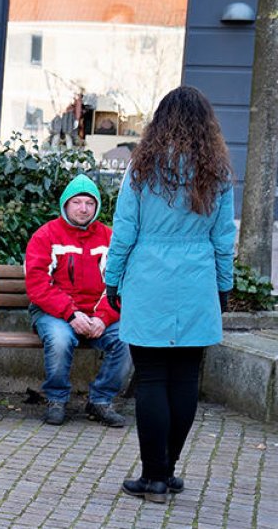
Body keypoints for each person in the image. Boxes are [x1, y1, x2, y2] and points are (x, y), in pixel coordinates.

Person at [103, 86, 235, 503]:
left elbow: (124, 231)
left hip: (149, 278)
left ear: (159, 121)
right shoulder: (217, 171)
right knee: (184, 379)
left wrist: (113, 279)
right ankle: (168, 471)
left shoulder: (142, 168)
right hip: (197, 281)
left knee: (153, 378)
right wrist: (224, 286)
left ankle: (154, 476)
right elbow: (223, 237)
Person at [24, 173, 129, 427]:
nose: (83, 208)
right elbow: (38, 284)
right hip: (55, 314)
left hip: (99, 315)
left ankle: (100, 401)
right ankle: (57, 399)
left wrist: (103, 317)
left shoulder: (110, 238)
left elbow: (122, 284)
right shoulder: (45, 235)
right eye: (77, 202)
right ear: (66, 204)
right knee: (60, 340)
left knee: (126, 340)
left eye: (89, 203)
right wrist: (71, 314)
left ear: (97, 207)